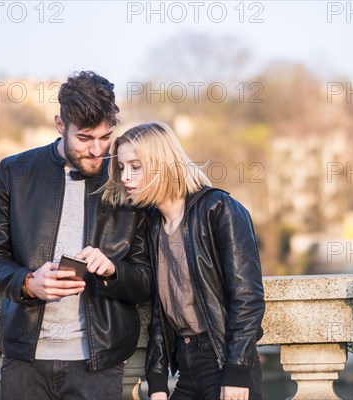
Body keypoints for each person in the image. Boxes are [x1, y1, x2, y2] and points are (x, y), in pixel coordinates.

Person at [0, 71, 153, 400]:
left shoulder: (126, 180)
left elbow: (146, 279)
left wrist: (114, 270)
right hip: (24, 359)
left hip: (99, 362)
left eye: (105, 137)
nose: (98, 150)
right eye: (85, 138)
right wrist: (28, 283)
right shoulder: (14, 173)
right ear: (60, 125)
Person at [102, 122, 265, 400]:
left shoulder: (219, 209)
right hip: (186, 368)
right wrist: (156, 382)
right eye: (121, 167)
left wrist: (236, 370)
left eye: (136, 167)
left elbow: (247, 299)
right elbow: (159, 310)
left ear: (162, 164)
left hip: (222, 361)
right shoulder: (152, 226)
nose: (126, 177)